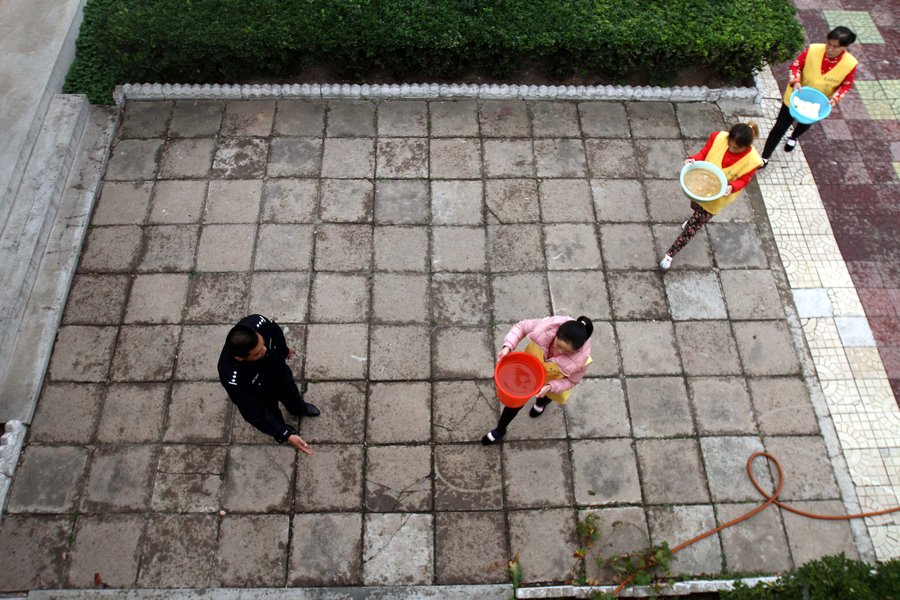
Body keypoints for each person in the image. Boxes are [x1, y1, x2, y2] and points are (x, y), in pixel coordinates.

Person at [659, 122, 763, 270]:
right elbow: (704, 153)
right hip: (701, 187)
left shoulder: (753, 161)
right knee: (695, 206)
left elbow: (744, 180)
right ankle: (692, 219)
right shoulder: (718, 138)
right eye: (730, 144)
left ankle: (670, 255)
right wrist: (694, 159)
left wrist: (732, 187)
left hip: (717, 197)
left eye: (736, 148)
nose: (731, 149)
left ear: (746, 147)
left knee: (692, 228)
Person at [482, 315, 593, 445]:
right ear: (556, 333)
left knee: (545, 397)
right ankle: (500, 429)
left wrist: (551, 387)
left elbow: (571, 381)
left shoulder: (582, 361)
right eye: (558, 344)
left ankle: (541, 404)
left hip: (550, 383)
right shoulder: (545, 326)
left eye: (566, 352)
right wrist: (508, 346)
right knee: (512, 406)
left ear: (577, 350)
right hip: (527, 372)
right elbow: (521, 327)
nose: (559, 351)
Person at [218, 314, 320, 454]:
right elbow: (254, 412)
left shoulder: (258, 322)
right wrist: (284, 433)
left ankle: (298, 408)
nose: (265, 350)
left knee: (291, 392)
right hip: (260, 392)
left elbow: (276, 332)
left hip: (278, 372)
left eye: (263, 344)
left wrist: (283, 351)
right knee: (271, 412)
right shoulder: (232, 378)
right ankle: (284, 432)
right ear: (240, 358)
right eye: (258, 353)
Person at [759, 26, 858, 167]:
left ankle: (793, 137)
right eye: (828, 43)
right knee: (780, 127)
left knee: (805, 124)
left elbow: (846, 85)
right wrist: (796, 81)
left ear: (845, 47)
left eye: (835, 47)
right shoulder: (813, 50)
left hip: (817, 103)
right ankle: (765, 157)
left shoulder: (850, 64)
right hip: (795, 96)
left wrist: (835, 98)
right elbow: (796, 66)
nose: (829, 49)